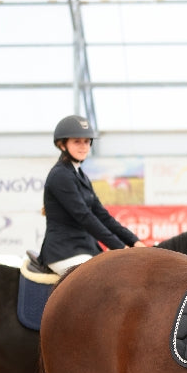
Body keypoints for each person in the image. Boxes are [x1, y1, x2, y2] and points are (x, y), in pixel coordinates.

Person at [38, 115, 145, 275]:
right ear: (62, 144)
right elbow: (85, 217)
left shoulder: (80, 175)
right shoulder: (60, 175)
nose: (83, 146)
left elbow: (102, 215)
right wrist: (120, 247)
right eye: (77, 141)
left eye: (86, 141)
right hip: (65, 252)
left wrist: (134, 241)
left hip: (84, 249)